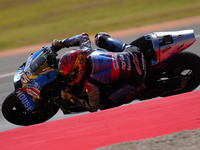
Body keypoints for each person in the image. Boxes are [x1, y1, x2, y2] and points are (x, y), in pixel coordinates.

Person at [51, 32, 146, 112]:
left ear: (79, 71)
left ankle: (137, 91)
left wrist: (73, 98)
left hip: (136, 76)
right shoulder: (86, 51)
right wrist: (62, 43)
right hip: (134, 52)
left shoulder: (90, 83)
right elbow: (83, 36)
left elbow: (93, 107)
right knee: (99, 37)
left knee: (103, 104)